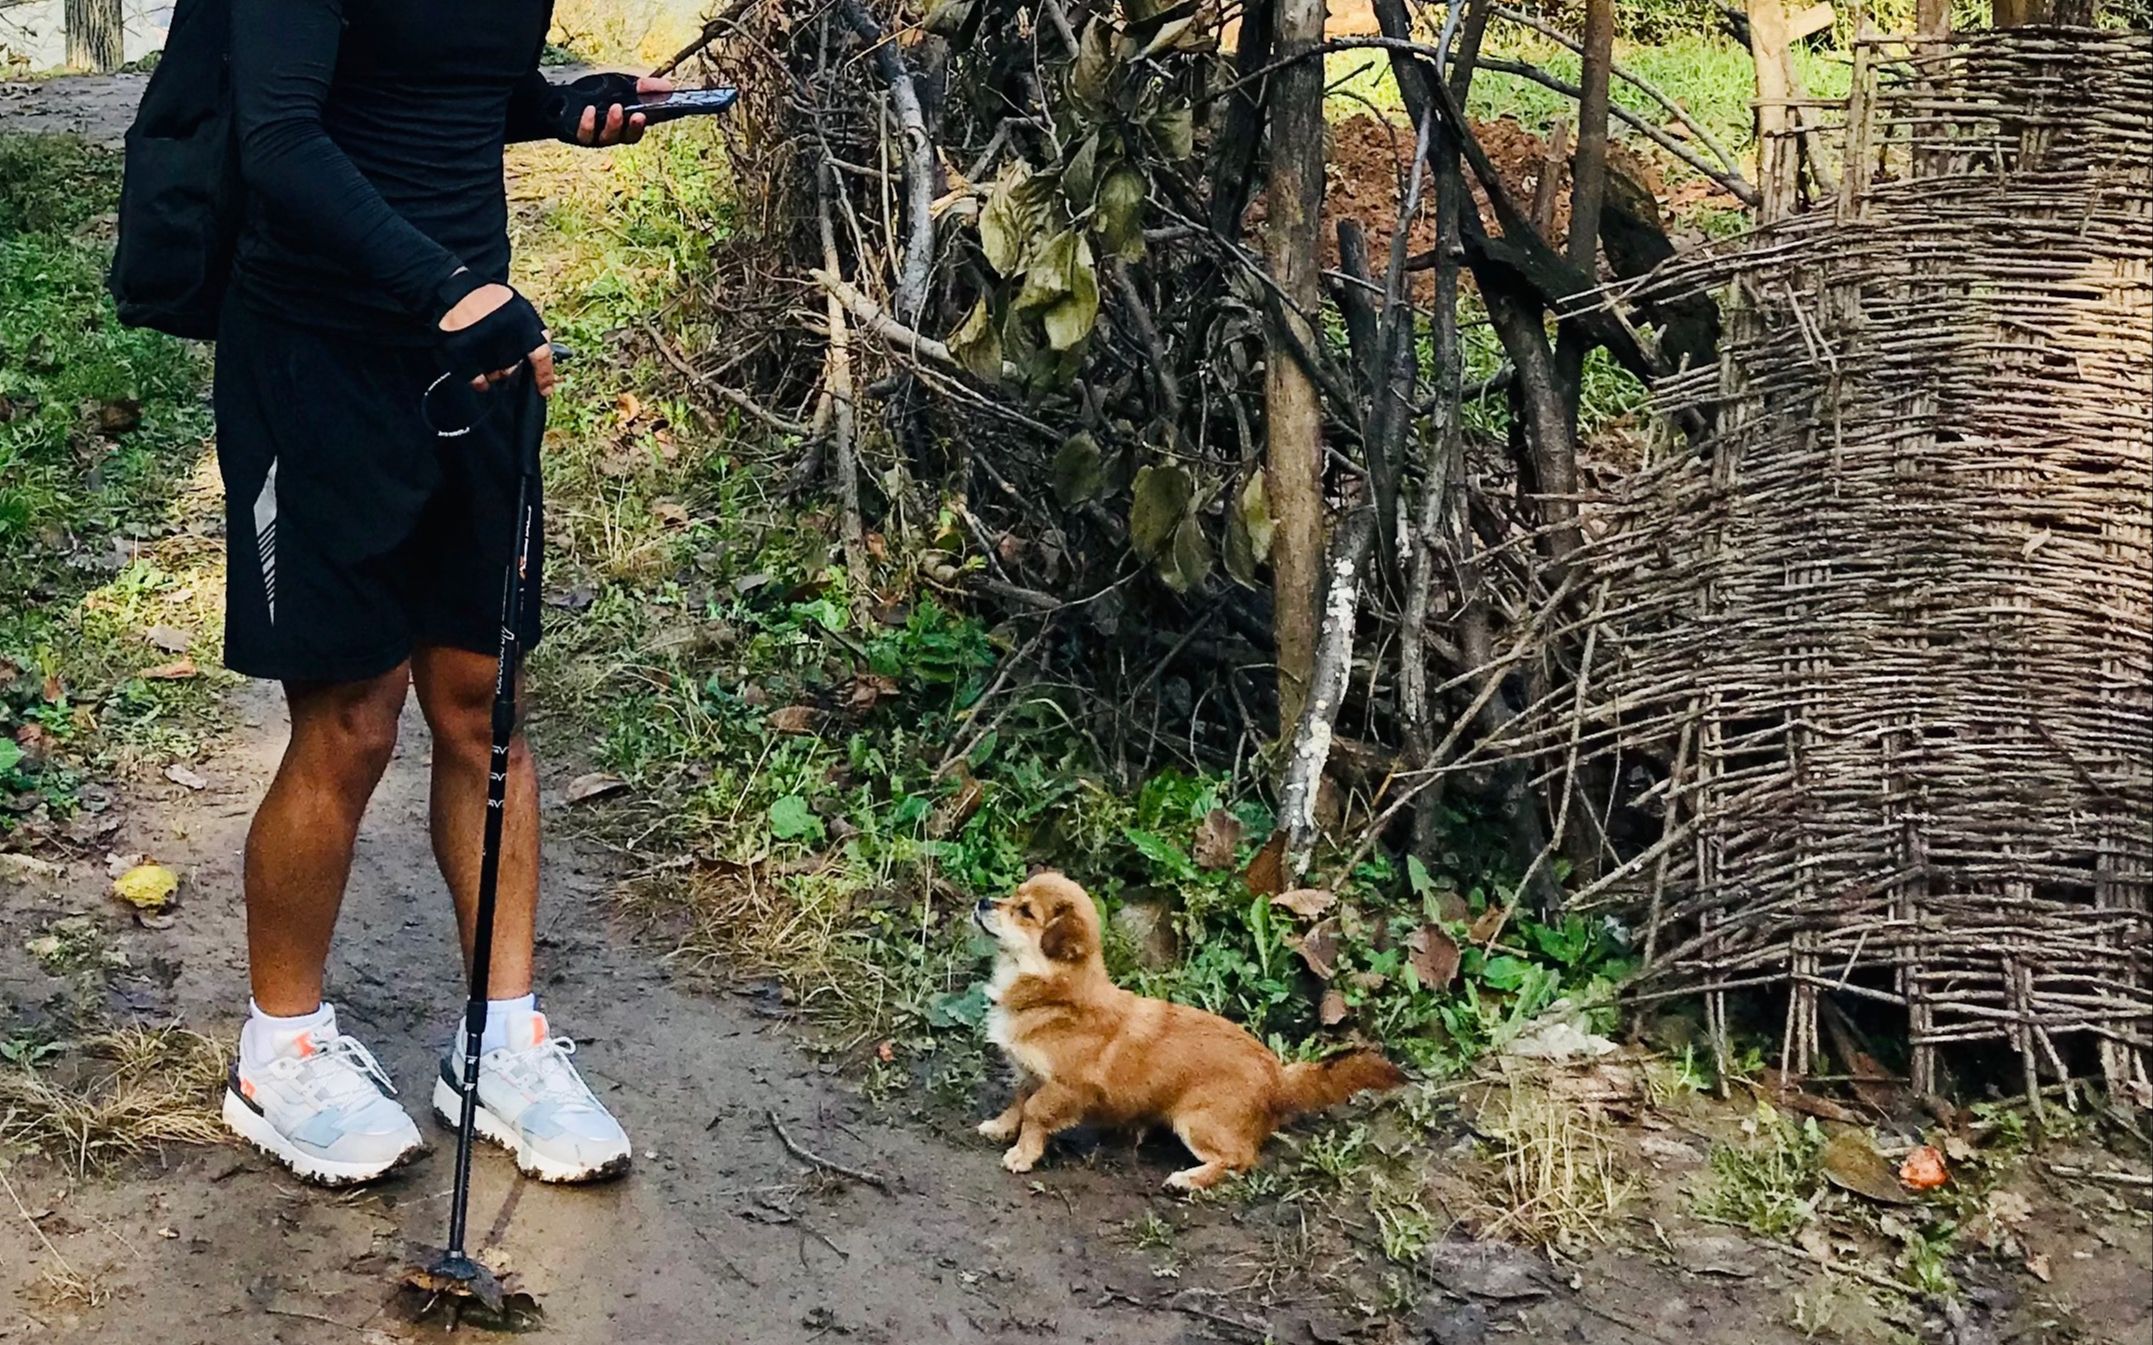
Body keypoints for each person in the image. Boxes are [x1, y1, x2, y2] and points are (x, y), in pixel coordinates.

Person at [212, 0, 664, 1187]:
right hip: (319, 357)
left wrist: (560, 105)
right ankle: (282, 1050)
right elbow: (281, 135)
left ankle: (499, 1040)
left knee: (484, 705)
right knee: (351, 719)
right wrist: (445, 287)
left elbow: (441, 87)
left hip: (477, 354)